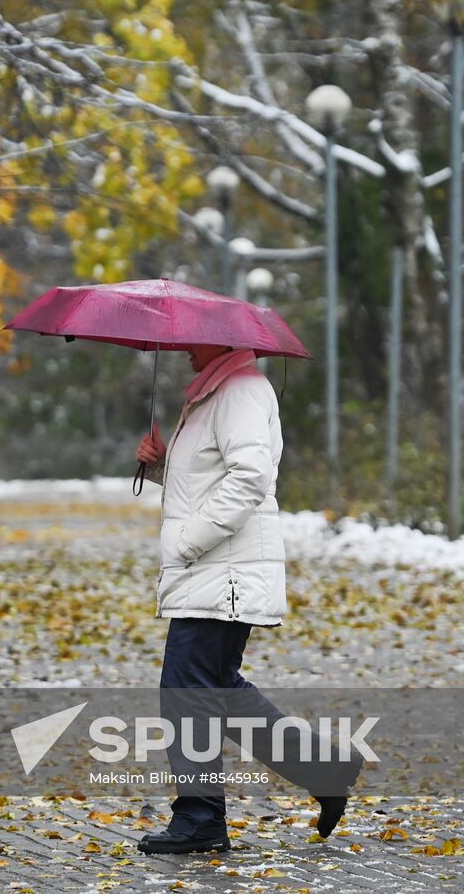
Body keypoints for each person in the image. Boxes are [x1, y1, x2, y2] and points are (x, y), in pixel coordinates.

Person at [133, 344, 361, 855]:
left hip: (224, 571)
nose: (185, 348)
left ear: (223, 342)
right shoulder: (213, 395)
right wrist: (161, 466)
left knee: (187, 689)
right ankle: (322, 768)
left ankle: (200, 819)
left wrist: (191, 540)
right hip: (214, 570)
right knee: (215, 689)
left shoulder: (241, 391)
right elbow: (207, 482)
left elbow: (252, 479)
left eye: (195, 340)